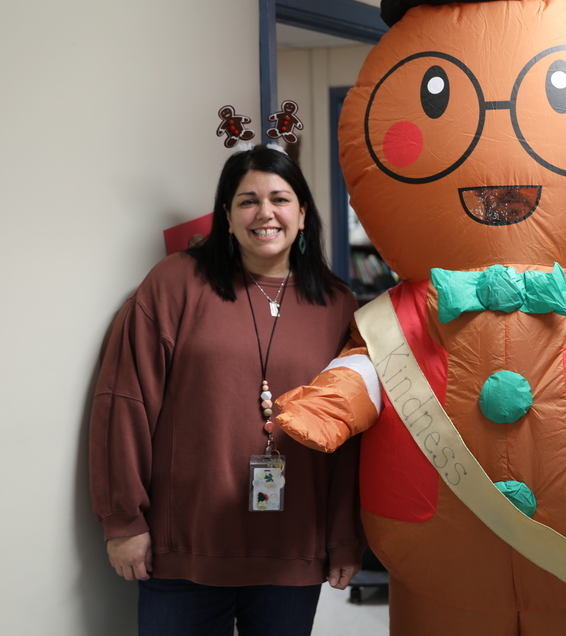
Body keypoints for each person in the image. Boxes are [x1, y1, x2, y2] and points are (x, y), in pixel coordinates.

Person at [89, 145, 363, 635]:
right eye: (247, 201)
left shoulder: (338, 305)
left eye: (280, 199)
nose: (265, 213)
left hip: (292, 550)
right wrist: (123, 520)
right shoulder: (175, 283)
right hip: (185, 549)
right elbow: (125, 402)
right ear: (227, 216)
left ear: (303, 213)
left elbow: (351, 435)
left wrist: (345, 537)